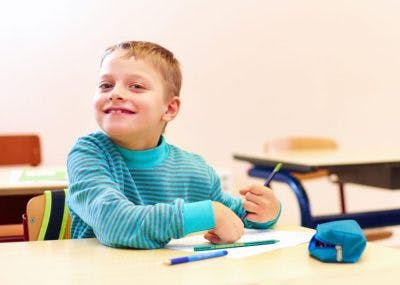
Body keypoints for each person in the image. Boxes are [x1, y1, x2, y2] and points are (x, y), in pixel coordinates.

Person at [67, 40, 281, 249]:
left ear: (169, 109)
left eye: (136, 86)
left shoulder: (195, 170)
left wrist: (265, 212)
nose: (115, 93)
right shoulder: (88, 154)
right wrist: (208, 214)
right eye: (106, 85)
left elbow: (233, 217)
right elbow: (113, 223)